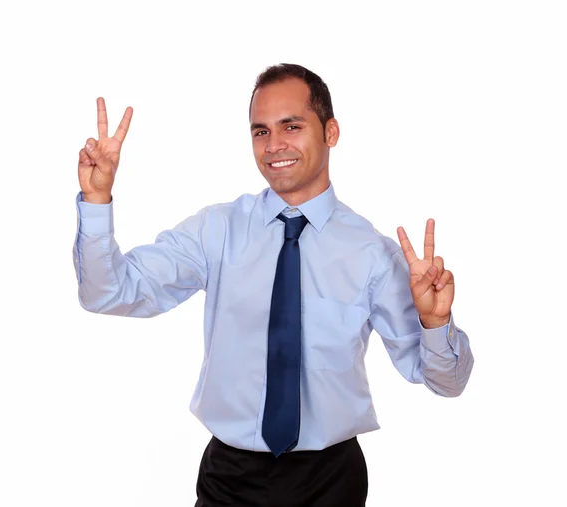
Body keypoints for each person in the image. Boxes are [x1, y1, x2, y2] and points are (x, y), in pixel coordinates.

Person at [73, 63, 474, 506]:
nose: (274, 145)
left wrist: (436, 322)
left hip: (329, 481)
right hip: (229, 478)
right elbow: (109, 292)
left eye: (292, 126)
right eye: (260, 131)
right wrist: (97, 201)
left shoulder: (372, 254)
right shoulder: (217, 230)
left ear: (331, 131)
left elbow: (446, 382)